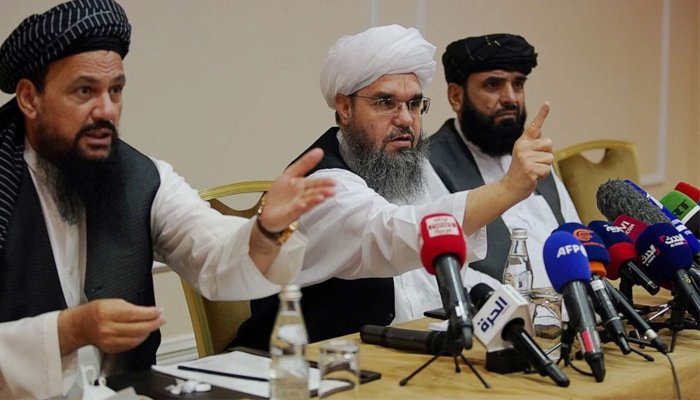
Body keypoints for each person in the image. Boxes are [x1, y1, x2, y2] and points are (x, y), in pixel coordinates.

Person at [0, 1, 335, 398]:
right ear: (29, 99)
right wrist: (68, 331)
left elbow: (213, 253)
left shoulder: (142, 178)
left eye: (116, 90)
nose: (106, 110)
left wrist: (265, 230)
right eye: (84, 90)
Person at [232, 25, 554, 351]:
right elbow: (393, 234)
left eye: (414, 104)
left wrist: (522, 312)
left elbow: (446, 271)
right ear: (345, 108)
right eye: (386, 102)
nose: (405, 119)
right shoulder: (318, 186)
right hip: (302, 372)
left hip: (392, 357)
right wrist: (509, 187)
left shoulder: (398, 168)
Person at [429, 34, 580, 288]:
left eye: (518, 84)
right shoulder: (432, 164)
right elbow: (448, 277)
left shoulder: (534, 157)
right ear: (456, 96)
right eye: (493, 85)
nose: (511, 98)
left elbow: (576, 240)